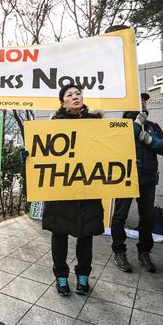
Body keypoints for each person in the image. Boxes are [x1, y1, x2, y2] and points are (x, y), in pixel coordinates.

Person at [41, 83, 105, 296]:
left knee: (86, 234)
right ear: (62, 102)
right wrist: (31, 156)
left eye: (78, 93)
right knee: (59, 233)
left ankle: (83, 275)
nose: (75, 97)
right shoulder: (53, 125)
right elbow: (42, 152)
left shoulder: (96, 122)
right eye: (69, 95)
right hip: (61, 188)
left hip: (87, 186)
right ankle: (61, 275)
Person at [111, 92, 163, 273]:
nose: (143, 103)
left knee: (147, 217)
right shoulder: (120, 125)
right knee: (119, 216)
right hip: (126, 178)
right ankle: (119, 252)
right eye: (139, 100)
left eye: (145, 100)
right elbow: (127, 138)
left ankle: (144, 252)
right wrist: (136, 125)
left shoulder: (153, 126)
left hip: (148, 178)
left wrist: (150, 140)